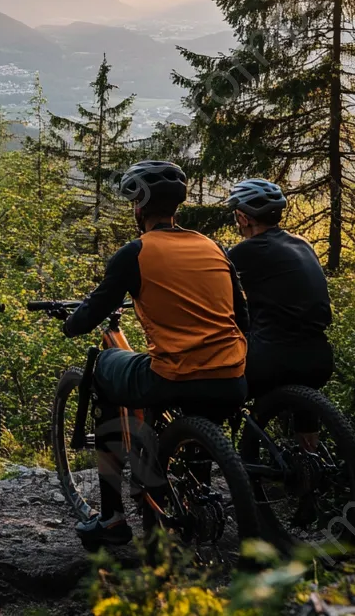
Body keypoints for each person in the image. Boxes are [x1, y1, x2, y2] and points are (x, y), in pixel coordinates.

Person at [62, 160, 249, 548]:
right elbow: (242, 317)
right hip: (232, 377)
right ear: (175, 207)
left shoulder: (136, 253)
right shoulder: (214, 247)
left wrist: (69, 323)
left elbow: (92, 313)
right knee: (200, 411)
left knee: (103, 369)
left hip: (172, 375)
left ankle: (112, 518)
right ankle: (193, 497)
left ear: (140, 207)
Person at [224, 179, 334, 405]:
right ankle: (306, 432)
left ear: (243, 218)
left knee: (216, 387)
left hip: (272, 359)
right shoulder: (301, 243)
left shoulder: (246, 250)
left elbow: (211, 281)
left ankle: (211, 437)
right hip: (319, 357)